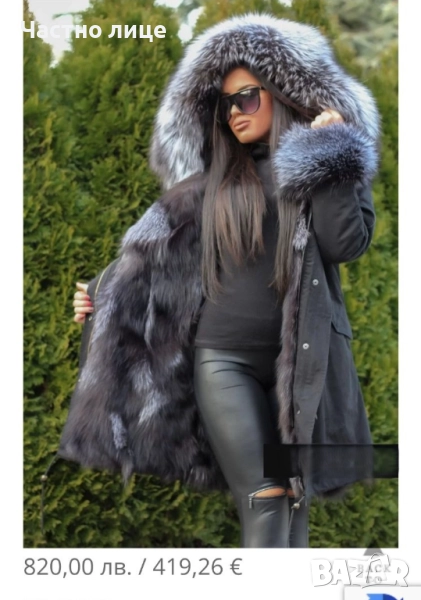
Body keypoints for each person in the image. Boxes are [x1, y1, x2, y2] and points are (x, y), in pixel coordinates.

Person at [60, 13, 379, 548]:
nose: (234, 112)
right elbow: (149, 257)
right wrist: (99, 295)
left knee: (293, 502)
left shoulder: (330, 166)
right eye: (225, 103)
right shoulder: (210, 186)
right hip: (223, 362)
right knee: (265, 498)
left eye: (247, 97)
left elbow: (344, 243)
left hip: (301, 366)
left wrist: (330, 155)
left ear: (283, 93)